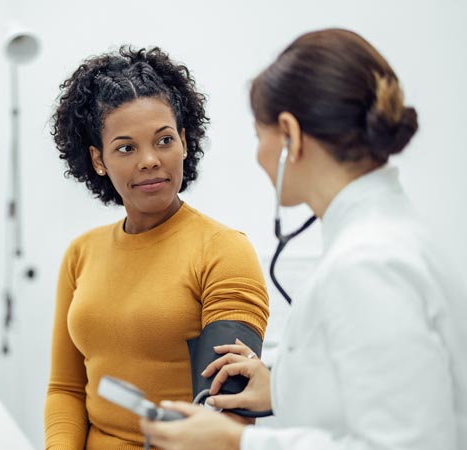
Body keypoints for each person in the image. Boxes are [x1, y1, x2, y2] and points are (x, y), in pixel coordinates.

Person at [139, 28, 467, 450]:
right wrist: (282, 389)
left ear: (289, 135)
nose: (258, 154)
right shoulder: (388, 238)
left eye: (260, 136)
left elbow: (408, 443)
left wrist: (236, 443)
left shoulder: (369, 264)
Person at [44, 46, 271, 450]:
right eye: (126, 148)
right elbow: (65, 389)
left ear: (184, 142)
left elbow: (225, 411)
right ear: (98, 159)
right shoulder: (81, 253)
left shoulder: (223, 251)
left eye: (163, 140)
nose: (149, 160)